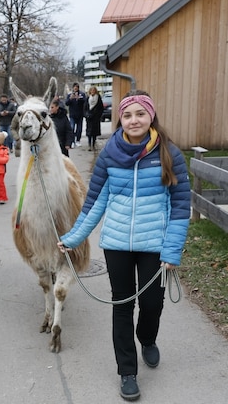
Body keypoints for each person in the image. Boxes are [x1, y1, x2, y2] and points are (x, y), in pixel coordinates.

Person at [57, 91, 191, 401]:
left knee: (152, 305)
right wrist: (73, 238)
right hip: (117, 244)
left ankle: (147, 338)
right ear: (121, 119)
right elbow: (94, 203)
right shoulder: (109, 154)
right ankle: (127, 372)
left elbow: (181, 204)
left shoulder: (169, 154)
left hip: (154, 245)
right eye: (128, 115)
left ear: (150, 117)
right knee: (122, 305)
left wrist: (172, 250)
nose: (134, 120)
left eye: (140, 114)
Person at [83, 86, 104, 151]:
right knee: (89, 132)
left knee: (94, 132)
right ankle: (89, 145)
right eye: (91, 90)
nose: (92, 92)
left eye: (94, 90)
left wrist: (98, 115)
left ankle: (93, 144)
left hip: (96, 118)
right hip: (89, 118)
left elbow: (101, 108)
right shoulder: (88, 98)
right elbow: (85, 107)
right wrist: (86, 115)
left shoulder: (98, 98)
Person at [65, 82, 86, 147]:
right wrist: (70, 99)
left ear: (78, 88)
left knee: (79, 129)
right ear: (73, 88)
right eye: (74, 87)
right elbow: (66, 103)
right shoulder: (70, 95)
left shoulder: (82, 94)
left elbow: (85, 101)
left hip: (80, 114)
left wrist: (79, 99)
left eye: (76, 87)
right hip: (72, 115)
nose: (75, 88)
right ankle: (72, 141)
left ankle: (78, 140)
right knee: (72, 128)